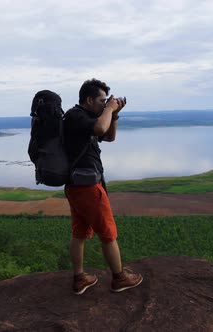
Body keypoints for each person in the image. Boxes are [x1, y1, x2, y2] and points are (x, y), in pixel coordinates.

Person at [63, 78, 143, 295]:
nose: (104, 103)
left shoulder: (83, 117)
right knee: (108, 233)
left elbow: (108, 137)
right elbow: (100, 128)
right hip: (87, 187)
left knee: (80, 233)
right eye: (101, 100)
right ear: (89, 100)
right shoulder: (76, 115)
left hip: (79, 185)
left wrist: (114, 114)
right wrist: (109, 109)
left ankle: (80, 278)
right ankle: (119, 278)